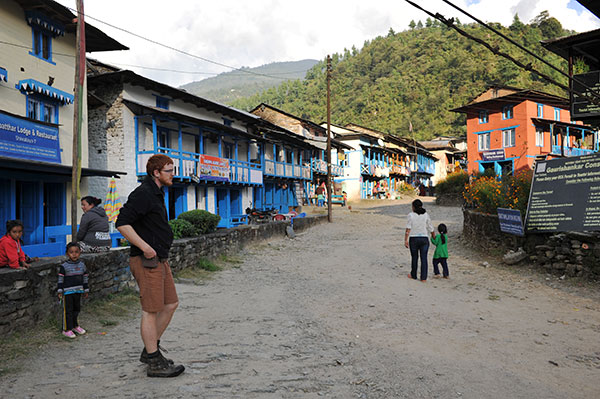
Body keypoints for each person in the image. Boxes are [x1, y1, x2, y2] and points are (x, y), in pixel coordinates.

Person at [116, 154, 185, 378]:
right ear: (156, 173)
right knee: (150, 311)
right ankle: (154, 362)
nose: (173, 174)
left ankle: (150, 350)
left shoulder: (156, 194)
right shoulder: (143, 194)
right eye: (169, 170)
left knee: (171, 303)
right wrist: (145, 247)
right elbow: (122, 223)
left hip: (159, 259)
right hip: (147, 261)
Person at [57, 242, 89, 338]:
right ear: (67, 253)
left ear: (80, 253)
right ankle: (67, 329)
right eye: (71, 252)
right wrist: (60, 291)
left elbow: (85, 277)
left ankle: (75, 325)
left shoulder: (82, 265)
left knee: (76, 309)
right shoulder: (64, 266)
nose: (74, 254)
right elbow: (60, 279)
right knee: (68, 311)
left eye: (76, 252)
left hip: (78, 291)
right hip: (67, 292)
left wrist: (86, 289)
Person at [405, 199, 434, 281]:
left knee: (414, 257)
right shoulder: (426, 215)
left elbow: (408, 229)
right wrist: (433, 236)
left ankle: (413, 275)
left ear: (413, 207)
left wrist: (405, 240)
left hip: (413, 238)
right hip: (424, 238)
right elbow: (430, 227)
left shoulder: (411, 215)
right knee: (424, 258)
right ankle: (423, 277)